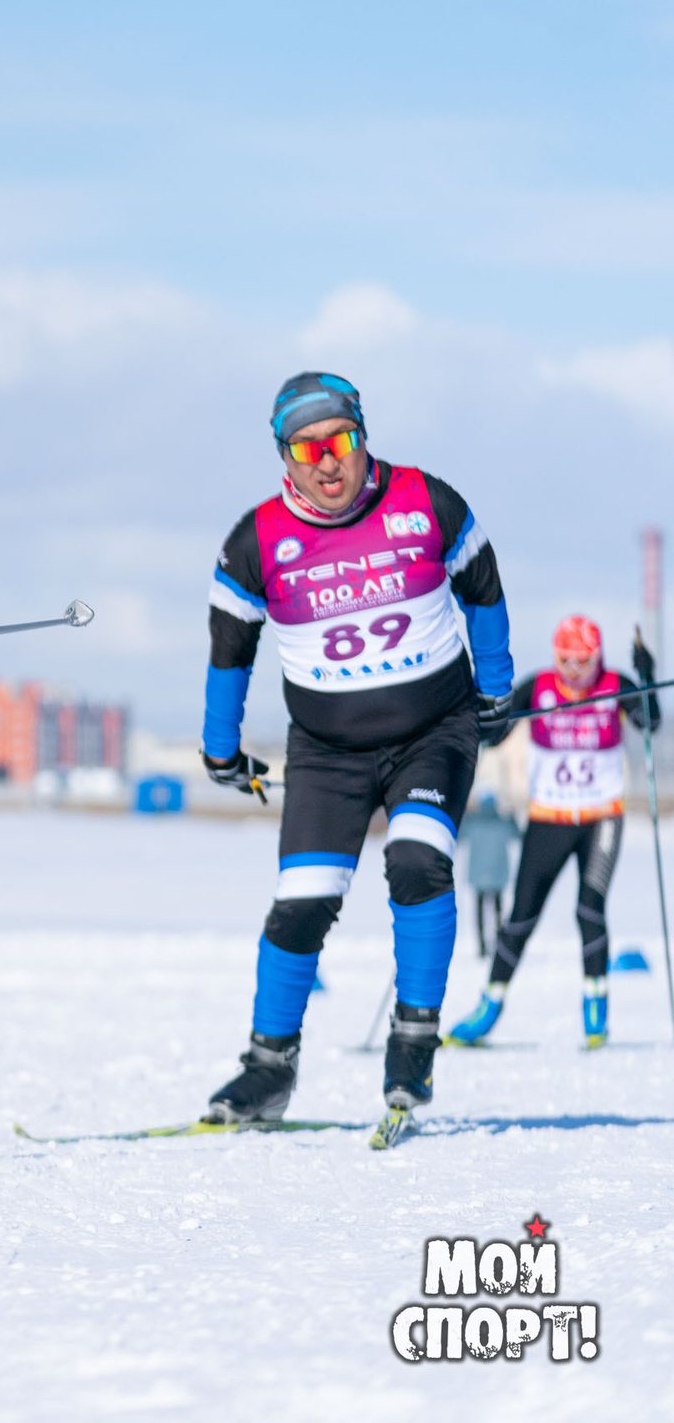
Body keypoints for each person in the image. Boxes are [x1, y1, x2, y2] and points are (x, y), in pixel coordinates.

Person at [195, 372, 512, 1126]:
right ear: (285, 458)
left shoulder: (428, 501)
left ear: (363, 436)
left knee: (415, 861)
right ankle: (267, 1070)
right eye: (308, 449)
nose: (327, 462)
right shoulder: (255, 541)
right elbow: (229, 652)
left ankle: (413, 1043)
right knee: (301, 905)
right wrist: (220, 748)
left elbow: (485, 591)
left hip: (432, 732)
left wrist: (495, 690)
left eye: (339, 440)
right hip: (327, 753)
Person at [448, 617, 658, 1049]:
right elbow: (494, 732)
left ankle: (595, 1011)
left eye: (584, 661)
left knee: (589, 909)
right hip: (549, 818)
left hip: (601, 816)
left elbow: (650, 723)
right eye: (566, 660)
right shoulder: (539, 687)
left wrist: (646, 678)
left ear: (597, 659)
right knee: (521, 915)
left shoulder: (614, 684)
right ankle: (489, 1006)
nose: (575, 671)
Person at [456, 793, 517, 959]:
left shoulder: (472, 823)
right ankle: (498, 942)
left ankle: (482, 945)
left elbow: (458, 836)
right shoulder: (503, 823)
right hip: (498, 874)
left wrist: (465, 812)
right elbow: (518, 834)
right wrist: (512, 815)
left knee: (479, 911)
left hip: (478, 875)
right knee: (498, 909)